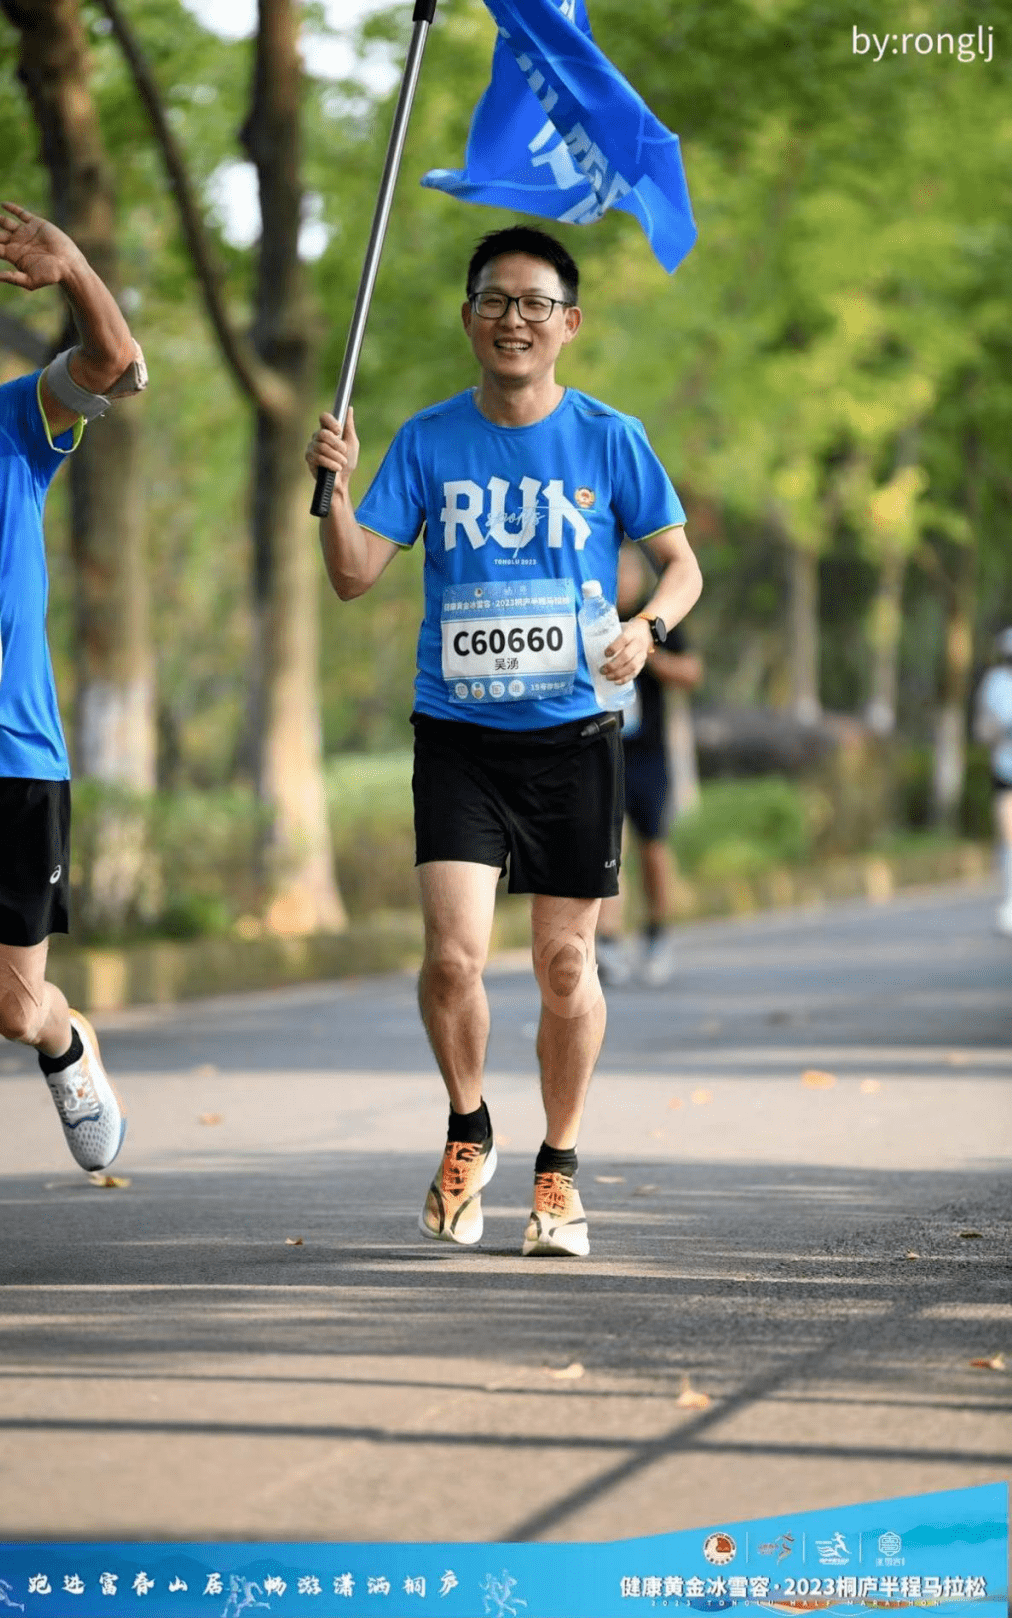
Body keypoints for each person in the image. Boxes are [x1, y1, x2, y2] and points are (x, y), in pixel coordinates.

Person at [306, 224, 701, 1257]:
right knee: (451, 960)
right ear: (469, 316)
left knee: (567, 964)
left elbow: (681, 565)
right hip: (460, 736)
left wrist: (646, 626)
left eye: (534, 304)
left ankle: (560, 1173)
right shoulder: (430, 440)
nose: (512, 319)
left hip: (575, 735)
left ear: (568, 324)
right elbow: (354, 574)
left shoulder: (611, 437)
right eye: (494, 301)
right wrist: (335, 496)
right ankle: (469, 1125)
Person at [0, 202, 146, 1262]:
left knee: (6, 1002)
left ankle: (63, 1046)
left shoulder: (3, 425)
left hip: (5, 757)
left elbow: (113, 357)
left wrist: (74, 269)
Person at [596, 541, 703, 987]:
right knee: (606, 851)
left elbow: (693, 673)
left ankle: (658, 933)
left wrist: (647, 651)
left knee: (653, 846)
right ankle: (607, 942)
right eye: (616, 573)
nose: (624, 581)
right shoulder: (593, 617)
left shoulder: (655, 621)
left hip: (648, 752)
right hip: (600, 749)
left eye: (630, 573)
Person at [972, 626, 1012, 936]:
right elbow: (982, 730)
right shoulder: (997, 684)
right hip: (1006, 771)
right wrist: (999, 729)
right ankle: (1010, 900)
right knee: (1009, 837)